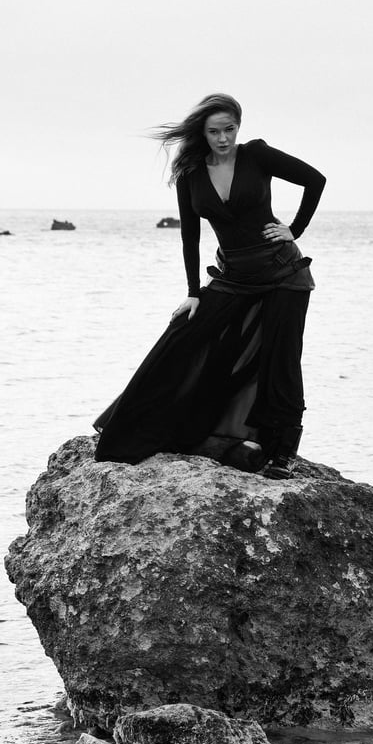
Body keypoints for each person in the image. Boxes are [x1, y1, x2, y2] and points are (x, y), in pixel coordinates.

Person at [93, 92, 326, 478]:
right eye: (215, 131)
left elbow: (315, 180)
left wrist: (294, 229)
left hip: (283, 274)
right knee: (183, 336)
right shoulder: (191, 173)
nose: (223, 138)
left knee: (280, 362)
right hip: (232, 276)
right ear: (202, 132)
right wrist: (192, 293)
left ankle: (282, 452)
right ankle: (137, 424)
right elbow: (190, 234)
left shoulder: (257, 155)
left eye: (229, 129)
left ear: (239, 127)